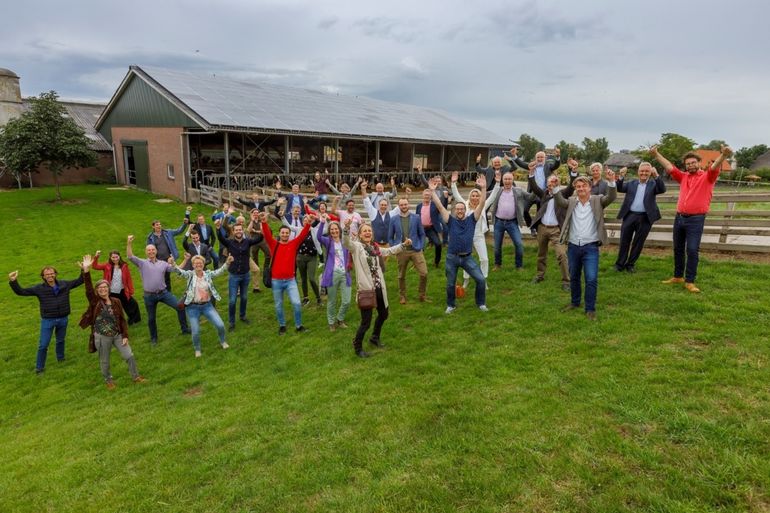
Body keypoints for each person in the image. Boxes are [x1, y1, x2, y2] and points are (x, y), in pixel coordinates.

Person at [652, 144, 733, 292]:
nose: (690, 165)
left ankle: (690, 281)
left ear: (699, 163)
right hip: (680, 218)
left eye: (693, 163)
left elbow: (714, 167)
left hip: (696, 220)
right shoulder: (683, 177)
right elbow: (670, 166)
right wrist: (656, 155)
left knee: (692, 249)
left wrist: (724, 155)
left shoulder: (708, 177)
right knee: (678, 248)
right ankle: (678, 276)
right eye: (688, 164)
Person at [554, 171, 617, 320]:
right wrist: (556, 188)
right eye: (578, 186)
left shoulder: (597, 200)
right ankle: (575, 302)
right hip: (574, 246)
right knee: (574, 276)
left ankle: (590, 309)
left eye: (583, 186)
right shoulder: (571, 201)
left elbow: (611, 197)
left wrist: (611, 182)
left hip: (591, 247)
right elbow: (560, 202)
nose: (581, 189)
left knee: (591, 278)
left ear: (589, 187)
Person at [78, 254, 145, 389]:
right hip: (102, 336)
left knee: (129, 355)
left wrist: (125, 335)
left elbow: (122, 319)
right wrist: (86, 271)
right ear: (97, 291)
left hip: (117, 335)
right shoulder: (95, 301)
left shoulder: (116, 301)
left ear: (109, 289)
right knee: (105, 361)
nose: (103, 290)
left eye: (105, 287)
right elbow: (89, 289)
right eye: (100, 288)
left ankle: (136, 376)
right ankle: (108, 381)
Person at [344, 219, 408, 358]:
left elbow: (389, 251)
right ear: (360, 235)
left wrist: (403, 245)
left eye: (369, 231)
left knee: (384, 314)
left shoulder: (375, 248)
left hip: (379, 288)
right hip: (367, 289)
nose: (367, 232)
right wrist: (346, 228)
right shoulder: (356, 247)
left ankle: (374, 337)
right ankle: (357, 346)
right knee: (365, 322)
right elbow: (346, 242)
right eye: (364, 231)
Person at [8, 263, 85, 374]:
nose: (50, 275)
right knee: (43, 345)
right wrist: (13, 281)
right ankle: (39, 368)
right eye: (47, 274)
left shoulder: (65, 284)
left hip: (63, 318)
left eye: (52, 273)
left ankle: (61, 358)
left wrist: (83, 269)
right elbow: (21, 292)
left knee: (60, 340)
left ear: (55, 274)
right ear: (43, 276)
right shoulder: (39, 288)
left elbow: (80, 281)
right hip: (48, 320)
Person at [430, 175, 489, 314]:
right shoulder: (450, 220)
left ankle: (481, 303)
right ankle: (451, 305)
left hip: (467, 257)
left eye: (462, 209)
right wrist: (432, 191)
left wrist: (484, 188)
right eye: (458, 209)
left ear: (465, 210)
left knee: (480, 280)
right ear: (455, 211)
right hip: (452, 258)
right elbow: (439, 206)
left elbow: (481, 204)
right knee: (450, 283)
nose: (460, 211)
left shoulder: (472, 219)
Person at [127, 235, 190, 344]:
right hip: (149, 296)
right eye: (149, 250)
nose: (151, 251)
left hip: (163, 293)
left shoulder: (163, 264)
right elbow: (130, 256)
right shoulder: (142, 263)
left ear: (156, 251)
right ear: (146, 252)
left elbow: (177, 269)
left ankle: (185, 329)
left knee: (180, 307)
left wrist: (185, 259)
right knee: (151, 318)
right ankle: (154, 338)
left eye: (152, 249)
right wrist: (129, 243)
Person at [170, 253, 233, 357]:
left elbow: (219, 271)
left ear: (203, 264)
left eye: (200, 263)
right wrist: (173, 264)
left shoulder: (208, 274)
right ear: (193, 265)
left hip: (207, 306)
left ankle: (223, 342)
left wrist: (227, 262)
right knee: (195, 331)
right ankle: (197, 349)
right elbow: (179, 272)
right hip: (192, 308)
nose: (198, 265)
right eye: (196, 263)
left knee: (220, 325)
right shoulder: (190, 274)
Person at [528, 160, 578, 290]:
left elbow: (572, 187)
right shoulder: (543, 194)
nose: (551, 185)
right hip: (543, 228)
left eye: (554, 183)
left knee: (561, 255)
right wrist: (532, 173)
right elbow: (533, 187)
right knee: (541, 254)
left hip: (556, 231)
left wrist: (573, 172)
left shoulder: (563, 194)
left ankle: (566, 281)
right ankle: (540, 275)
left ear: (558, 184)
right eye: (549, 183)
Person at [260, 212, 312, 335]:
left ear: (289, 235)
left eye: (287, 233)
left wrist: (308, 224)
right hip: (276, 281)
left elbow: (302, 235)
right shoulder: (274, 245)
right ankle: (282, 325)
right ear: (279, 234)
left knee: (297, 303)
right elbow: (267, 235)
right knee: (278, 305)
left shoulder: (293, 244)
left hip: (290, 281)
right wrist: (264, 222)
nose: (284, 234)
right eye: (283, 233)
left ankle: (299, 325)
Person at [450, 169, 501, 291]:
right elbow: (456, 195)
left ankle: (483, 280)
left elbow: (493, 196)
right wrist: (453, 183)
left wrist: (498, 183)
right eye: (473, 195)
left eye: (477, 195)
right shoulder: (465, 204)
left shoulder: (482, 205)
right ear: (470, 196)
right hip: (466, 236)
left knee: (484, 259)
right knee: (466, 259)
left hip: (478, 235)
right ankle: (466, 280)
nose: (474, 197)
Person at [614, 163, 667, 272]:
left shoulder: (653, 184)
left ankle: (630, 264)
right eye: (642, 171)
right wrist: (621, 176)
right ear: (638, 172)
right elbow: (619, 188)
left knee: (638, 242)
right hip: (630, 215)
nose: (644, 173)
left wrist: (656, 175)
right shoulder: (631, 183)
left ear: (650, 173)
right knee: (624, 240)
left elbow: (662, 189)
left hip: (645, 217)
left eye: (646, 171)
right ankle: (620, 264)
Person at [215, 219, 263, 331]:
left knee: (244, 298)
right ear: (233, 231)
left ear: (242, 230)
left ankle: (242, 316)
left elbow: (259, 239)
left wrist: (262, 230)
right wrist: (218, 229)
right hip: (234, 275)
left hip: (245, 275)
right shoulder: (230, 242)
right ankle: (231, 322)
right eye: (236, 230)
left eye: (240, 230)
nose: (238, 231)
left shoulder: (248, 241)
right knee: (232, 300)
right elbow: (221, 238)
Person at [487, 171, 538, 271]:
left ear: (512, 179)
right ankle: (498, 264)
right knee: (497, 246)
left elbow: (530, 197)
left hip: (512, 223)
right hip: (499, 222)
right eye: (505, 179)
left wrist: (535, 188)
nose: (507, 181)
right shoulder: (497, 190)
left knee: (519, 244)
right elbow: (485, 194)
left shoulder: (518, 190)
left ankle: (519, 266)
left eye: (509, 179)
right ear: (502, 180)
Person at [388, 196, 429, 304]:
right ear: (399, 206)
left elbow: (422, 234)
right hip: (402, 251)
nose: (404, 206)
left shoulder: (416, 217)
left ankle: (422, 294)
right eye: (401, 205)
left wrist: (420, 246)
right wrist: (395, 248)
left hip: (416, 250)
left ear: (408, 204)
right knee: (401, 275)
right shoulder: (394, 219)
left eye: (405, 204)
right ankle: (402, 295)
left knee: (424, 273)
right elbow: (390, 237)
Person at [317, 217, 352, 330]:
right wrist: (322, 222)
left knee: (346, 301)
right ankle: (331, 322)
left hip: (345, 274)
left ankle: (340, 319)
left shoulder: (344, 241)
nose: (334, 231)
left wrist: (347, 227)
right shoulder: (328, 241)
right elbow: (318, 237)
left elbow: (349, 237)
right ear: (330, 231)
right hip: (332, 274)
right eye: (331, 230)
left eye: (336, 229)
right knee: (332, 300)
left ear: (339, 230)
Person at [92, 250, 142, 324]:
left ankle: (134, 320)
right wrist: (96, 256)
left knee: (132, 304)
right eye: (113, 257)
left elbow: (128, 279)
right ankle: (115, 322)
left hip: (122, 290)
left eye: (116, 257)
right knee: (114, 308)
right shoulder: (107, 266)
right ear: (110, 258)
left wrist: (131, 290)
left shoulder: (124, 266)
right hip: (111, 292)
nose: (115, 259)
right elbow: (95, 266)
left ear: (119, 257)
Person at [146, 218, 187, 291]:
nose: (159, 226)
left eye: (160, 224)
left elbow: (179, 231)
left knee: (167, 275)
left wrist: (184, 224)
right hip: (158, 260)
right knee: (160, 275)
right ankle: (160, 289)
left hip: (168, 259)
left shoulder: (168, 232)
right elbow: (149, 249)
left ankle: (168, 291)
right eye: (157, 225)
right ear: (153, 226)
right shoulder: (150, 237)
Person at [415, 188, 444, 268]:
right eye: (425, 195)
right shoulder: (419, 206)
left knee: (438, 244)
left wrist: (444, 197)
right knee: (419, 246)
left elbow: (442, 206)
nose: (427, 196)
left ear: (431, 196)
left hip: (431, 228)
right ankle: (418, 263)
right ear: (422, 195)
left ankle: (436, 262)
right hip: (421, 228)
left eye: (428, 195)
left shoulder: (434, 205)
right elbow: (417, 217)